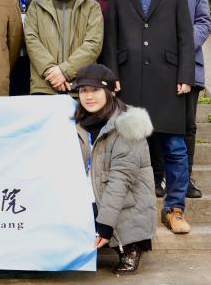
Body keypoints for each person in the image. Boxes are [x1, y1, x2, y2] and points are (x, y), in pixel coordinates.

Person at [103, 0, 195, 235]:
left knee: (175, 147)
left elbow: (185, 35)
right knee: (128, 147)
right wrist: (112, 75)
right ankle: (130, 211)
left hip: (168, 79)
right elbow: (111, 37)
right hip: (129, 79)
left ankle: (175, 208)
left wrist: (186, 75)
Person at [73, 63, 155, 274]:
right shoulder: (75, 123)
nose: (88, 96)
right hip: (91, 192)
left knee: (119, 196)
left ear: (110, 91)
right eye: (83, 90)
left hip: (124, 197)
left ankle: (132, 245)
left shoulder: (128, 125)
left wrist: (106, 225)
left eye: (95, 90)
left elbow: (120, 180)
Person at [156, 0, 211, 199]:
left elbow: (204, 22)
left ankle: (184, 179)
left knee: (187, 125)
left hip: (190, 64)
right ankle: (158, 177)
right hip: (157, 64)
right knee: (156, 123)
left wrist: (184, 44)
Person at [25, 0, 104, 95]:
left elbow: (93, 44)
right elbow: (31, 41)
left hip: (81, 85)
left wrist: (65, 71)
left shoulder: (91, 7)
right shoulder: (36, 5)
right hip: (44, 85)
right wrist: (52, 73)